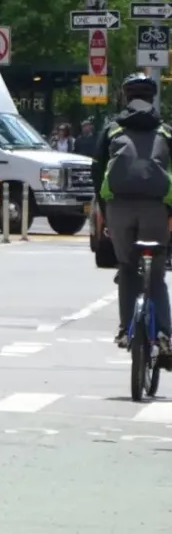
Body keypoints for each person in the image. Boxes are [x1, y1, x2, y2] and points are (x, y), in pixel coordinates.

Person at [93, 73, 172, 352]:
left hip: (119, 207)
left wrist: (104, 212)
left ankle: (126, 330)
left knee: (127, 268)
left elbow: (97, 172)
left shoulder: (112, 129)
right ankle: (164, 333)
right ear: (152, 98)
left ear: (126, 98)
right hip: (155, 208)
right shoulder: (165, 131)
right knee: (158, 275)